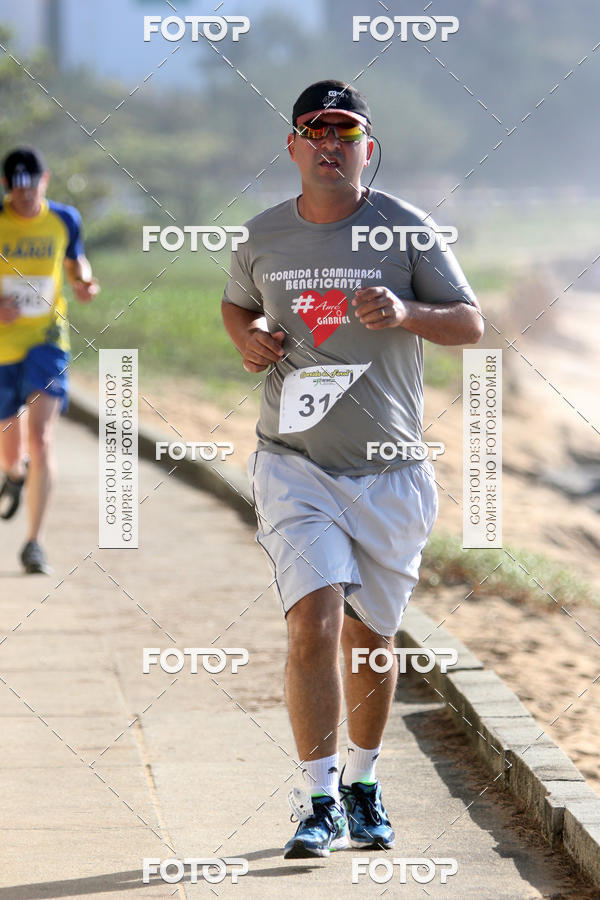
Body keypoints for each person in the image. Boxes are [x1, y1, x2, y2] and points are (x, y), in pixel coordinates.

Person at [222, 80, 483, 859]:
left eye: (347, 132)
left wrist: (406, 314)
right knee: (313, 623)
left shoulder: (406, 229)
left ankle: (365, 784)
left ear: (367, 147)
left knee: (372, 641)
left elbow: (470, 322)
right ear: (294, 146)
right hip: (294, 463)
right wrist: (250, 339)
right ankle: (318, 800)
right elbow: (238, 305)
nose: (331, 144)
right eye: (316, 131)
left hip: (391, 471)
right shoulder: (262, 236)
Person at [0, 147, 99, 574]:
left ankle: (34, 542)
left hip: (47, 341)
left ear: (46, 179)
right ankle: (13, 474)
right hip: (2, 347)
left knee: (41, 440)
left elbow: (76, 261)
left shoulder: (64, 219)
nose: (25, 197)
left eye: (32, 187)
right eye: (16, 190)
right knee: (11, 451)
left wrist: (84, 282)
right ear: (6, 188)